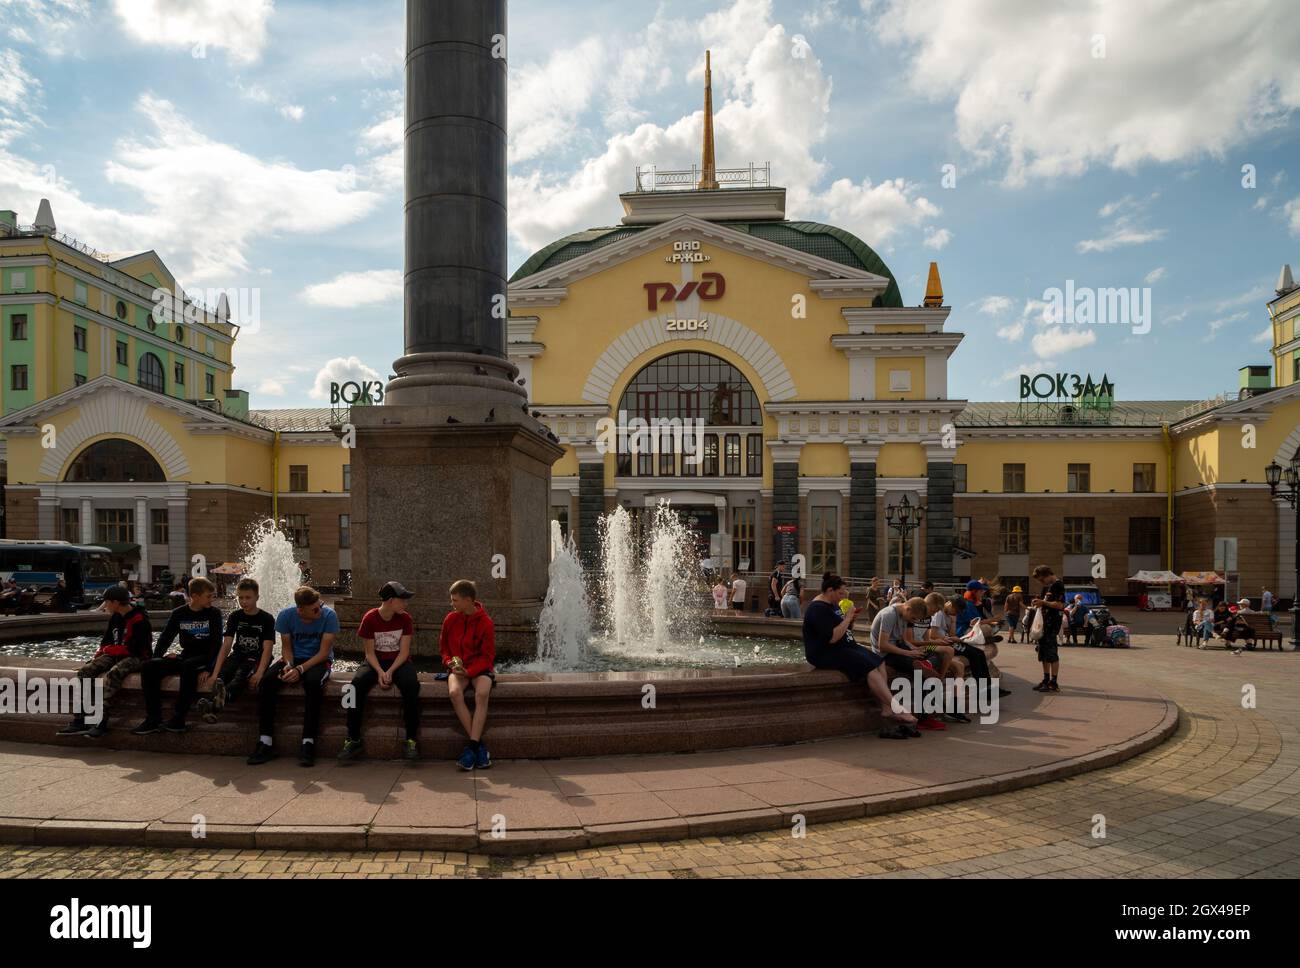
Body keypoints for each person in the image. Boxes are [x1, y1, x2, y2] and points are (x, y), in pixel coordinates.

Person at [802, 572, 917, 738]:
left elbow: (845, 630)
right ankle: (896, 708)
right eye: (840, 593)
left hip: (846, 646)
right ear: (829, 590)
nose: (843, 597)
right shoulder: (817, 609)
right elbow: (833, 637)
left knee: (879, 662)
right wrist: (848, 617)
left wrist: (851, 620)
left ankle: (886, 709)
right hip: (825, 652)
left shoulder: (832, 605)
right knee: (869, 668)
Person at [247, 585, 339, 767]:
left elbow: (323, 653)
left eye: (319, 605)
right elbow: (286, 648)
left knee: (313, 684)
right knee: (266, 683)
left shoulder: (329, 616)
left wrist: (301, 670)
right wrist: (290, 666)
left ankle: (308, 742)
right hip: (294, 659)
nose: (319, 610)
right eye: (314, 609)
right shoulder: (286, 616)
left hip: (319, 661)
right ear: (300, 610)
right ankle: (266, 742)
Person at [57, 587, 153, 738]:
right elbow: (106, 640)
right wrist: (97, 656)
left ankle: (101, 721)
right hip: (116, 653)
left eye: (106, 602)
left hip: (138, 657)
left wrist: (112, 650)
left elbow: (138, 648)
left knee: (114, 673)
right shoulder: (115, 617)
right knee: (85, 672)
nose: (105, 605)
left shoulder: (140, 619)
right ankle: (80, 720)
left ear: (115, 602)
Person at [340, 581, 420, 761]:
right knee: (355, 686)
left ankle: (411, 739)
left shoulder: (405, 618)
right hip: (375, 661)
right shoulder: (370, 618)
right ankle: (353, 738)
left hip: (399, 662)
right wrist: (379, 671)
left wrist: (390, 671)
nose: (405, 604)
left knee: (411, 685)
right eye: (403, 600)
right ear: (391, 601)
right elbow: (369, 652)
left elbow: (404, 652)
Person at [133, 576, 224, 735]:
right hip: (186, 657)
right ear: (195, 596)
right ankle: (153, 718)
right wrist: (157, 657)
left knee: (188, 666)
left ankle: (179, 718)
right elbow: (165, 638)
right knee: (148, 667)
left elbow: (217, 645)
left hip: (204, 658)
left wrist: (210, 668)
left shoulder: (214, 614)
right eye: (209, 596)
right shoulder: (179, 613)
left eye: (213, 595)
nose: (212, 599)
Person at [198, 578, 275, 723]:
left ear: (257, 597)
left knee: (241, 676)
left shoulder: (267, 618)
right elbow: (226, 645)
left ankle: (213, 706)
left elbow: (268, 648)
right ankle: (215, 706)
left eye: (248, 598)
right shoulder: (235, 616)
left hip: (256, 657)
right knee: (223, 675)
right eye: (240, 597)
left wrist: (259, 673)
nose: (244, 601)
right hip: (238, 654)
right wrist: (214, 673)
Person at [440, 579, 496, 770]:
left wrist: (470, 671)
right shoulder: (450, 619)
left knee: (482, 693)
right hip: (458, 670)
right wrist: (450, 663)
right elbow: (444, 649)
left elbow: (487, 656)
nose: (452, 603)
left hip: (480, 669)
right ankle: (478, 748)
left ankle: (472, 747)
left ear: (468, 600)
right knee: (455, 693)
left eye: (455, 600)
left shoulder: (486, 623)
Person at [1030, 565, 1066, 692]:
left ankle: (1054, 681)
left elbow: (1060, 605)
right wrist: (1037, 602)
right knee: (1043, 652)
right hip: (1043, 624)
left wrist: (1043, 603)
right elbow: (1043, 602)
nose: (1041, 582)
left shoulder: (1058, 585)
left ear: (1047, 575)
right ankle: (1046, 680)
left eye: (1041, 579)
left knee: (1052, 653)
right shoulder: (1047, 587)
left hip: (1052, 625)